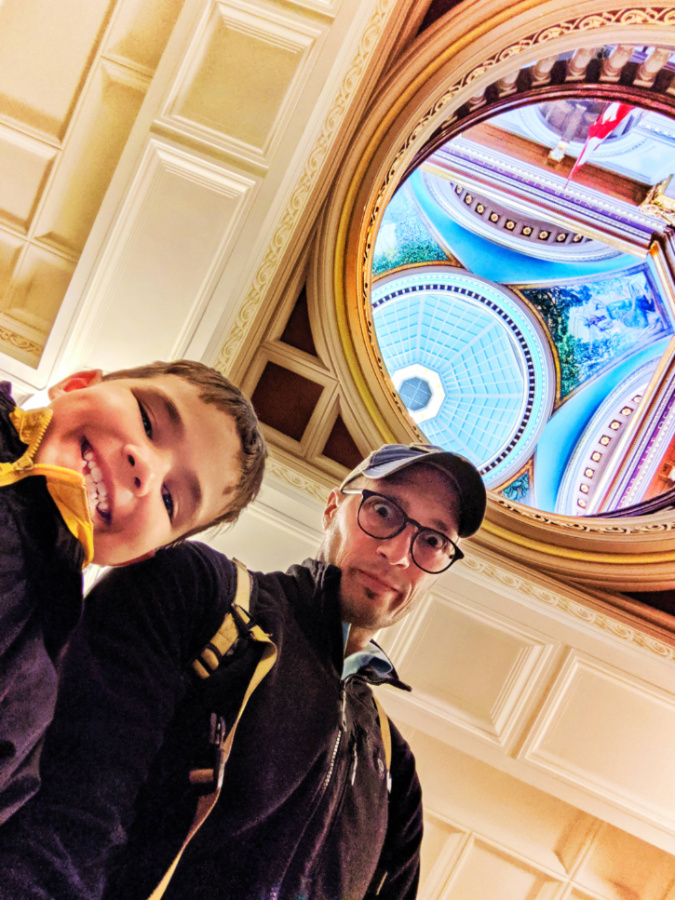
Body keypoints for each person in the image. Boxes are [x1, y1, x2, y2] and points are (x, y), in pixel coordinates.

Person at [0, 442, 486, 900]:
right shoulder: (199, 594)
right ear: (333, 507)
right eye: (383, 511)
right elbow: (66, 813)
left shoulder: (396, 773)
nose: (399, 553)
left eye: (432, 540)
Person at [0, 360, 266, 824]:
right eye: (147, 419)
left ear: (137, 556)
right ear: (75, 385)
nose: (146, 467)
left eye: (170, 500)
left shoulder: (31, 692)